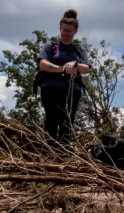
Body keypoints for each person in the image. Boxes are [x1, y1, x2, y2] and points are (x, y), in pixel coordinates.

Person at [36, 9, 92, 146]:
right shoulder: (52, 45)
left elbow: (86, 68)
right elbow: (42, 63)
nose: (66, 33)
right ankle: (49, 150)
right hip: (50, 87)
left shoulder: (78, 48)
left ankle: (63, 151)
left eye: (69, 31)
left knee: (68, 121)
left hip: (72, 89)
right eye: (64, 30)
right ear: (60, 29)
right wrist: (61, 69)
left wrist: (75, 64)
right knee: (51, 119)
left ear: (75, 31)